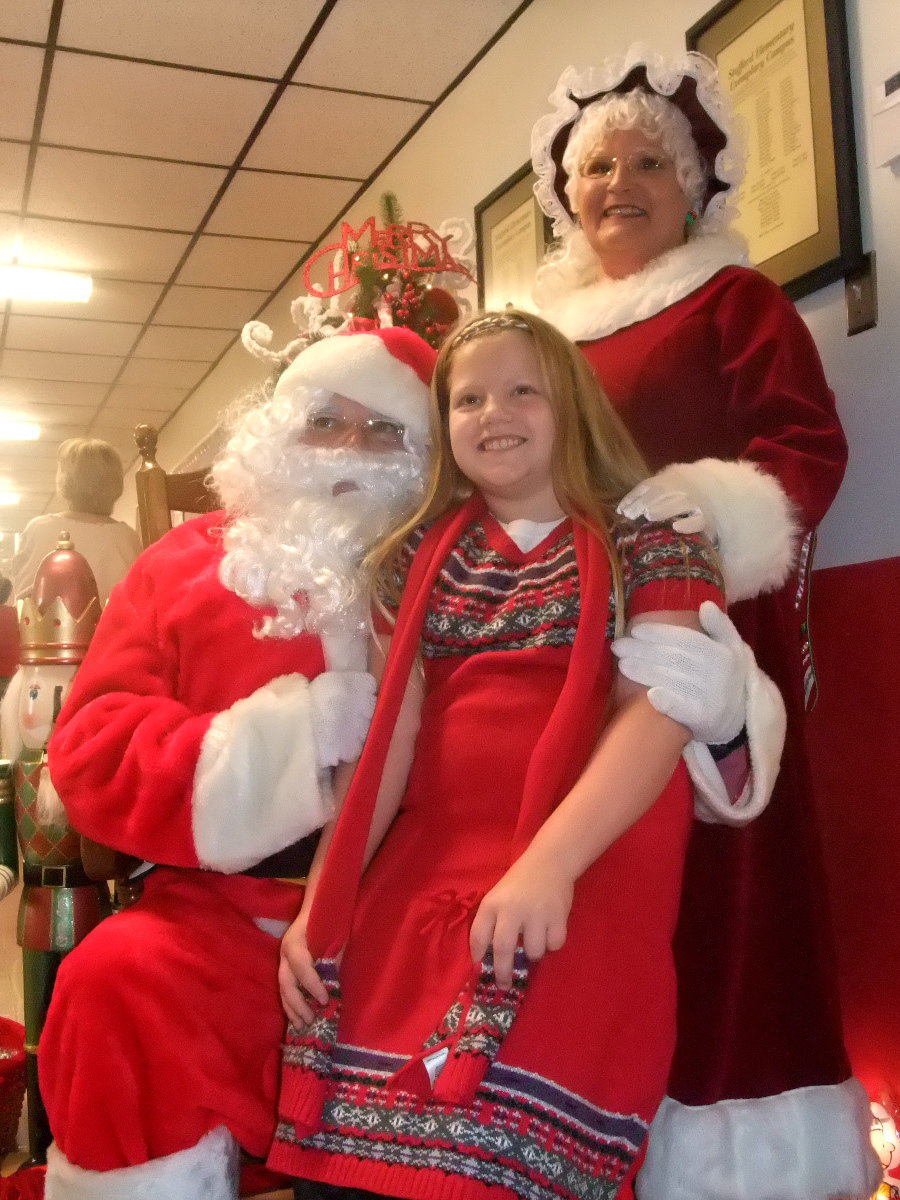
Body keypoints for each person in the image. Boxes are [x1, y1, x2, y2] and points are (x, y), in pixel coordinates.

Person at [268, 310, 778, 1200]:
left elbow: (657, 716)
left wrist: (548, 867)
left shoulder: (656, 536)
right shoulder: (416, 557)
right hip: (423, 876)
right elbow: (393, 738)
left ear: (570, 404)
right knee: (345, 1165)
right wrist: (326, 896)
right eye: (467, 398)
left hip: (583, 871)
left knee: (489, 1164)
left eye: (520, 390)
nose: (492, 412)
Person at [530, 45, 878, 1199]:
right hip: (564, 648)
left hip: (702, 642)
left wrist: (709, 512)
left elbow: (804, 448)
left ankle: (729, 1156)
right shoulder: (536, 340)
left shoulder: (737, 301)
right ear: (563, 193)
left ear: (693, 188)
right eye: (596, 166)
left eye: (647, 162)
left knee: (717, 903)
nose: (618, 182)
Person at [37, 326, 437, 1200]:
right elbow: (93, 746)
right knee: (114, 978)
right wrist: (287, 746)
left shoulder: (454, 573)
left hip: (406, 917)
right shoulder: (179, 565)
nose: (349, 452)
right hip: (217, 915)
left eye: (384, 432)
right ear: (277, 435)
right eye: (325, 421)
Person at [11, 438, 142, 606]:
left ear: (65, 481)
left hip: (46, 630)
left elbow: (22, 601)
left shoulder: (38, 529)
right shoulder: (127, 537)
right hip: (111, 631)